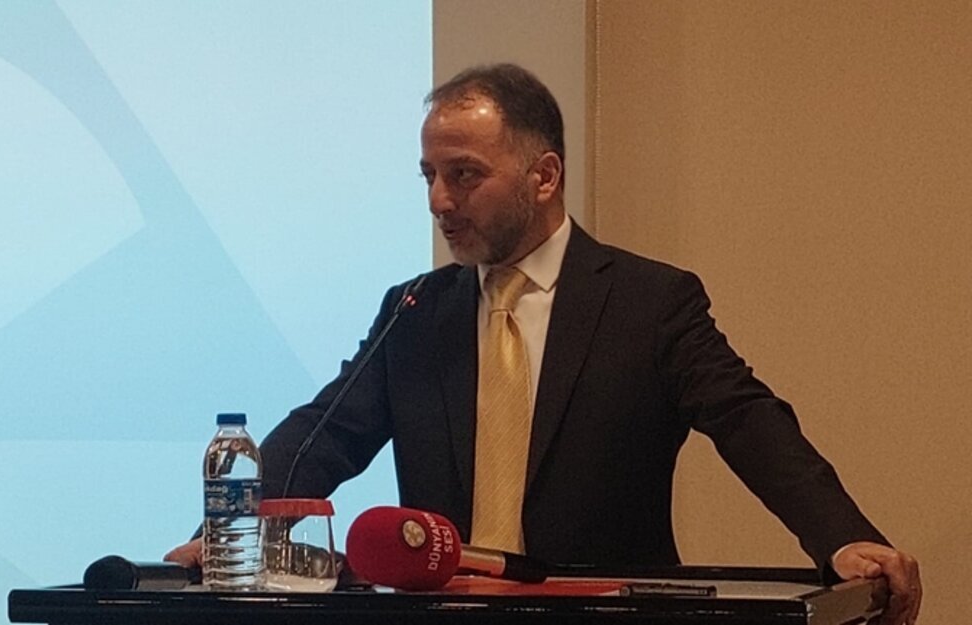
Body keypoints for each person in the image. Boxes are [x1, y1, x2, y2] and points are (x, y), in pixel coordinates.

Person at [167, 63, 920, 624]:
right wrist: (228, 530)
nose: (439, 201)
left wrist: (841, 538)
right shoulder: (416, 310)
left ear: (545, 175)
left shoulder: (649, 301)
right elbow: (326, 434)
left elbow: (749, 421)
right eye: (429, 176)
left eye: (464, 175)